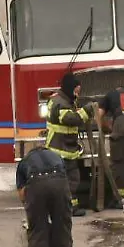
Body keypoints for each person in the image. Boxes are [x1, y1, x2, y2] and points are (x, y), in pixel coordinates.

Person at [16, 147, 75, 247]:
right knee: (62, 222)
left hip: (36, 183)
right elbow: (65, 179)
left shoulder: (24, 162)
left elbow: (22, 193)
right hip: (60, 182)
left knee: (38, 226)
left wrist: (32, 210)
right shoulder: (56, 156)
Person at [45, 72, 97, 217]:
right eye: (76, 90)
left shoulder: (60, 99)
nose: (77, 93)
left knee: (67, 179)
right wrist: (87, 111)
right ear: (70, 88)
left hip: (62, 147)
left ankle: (67, 207)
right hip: (61, 148)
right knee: (70, 179)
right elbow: (70, 119)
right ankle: (69, 208)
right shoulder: (61, 103)